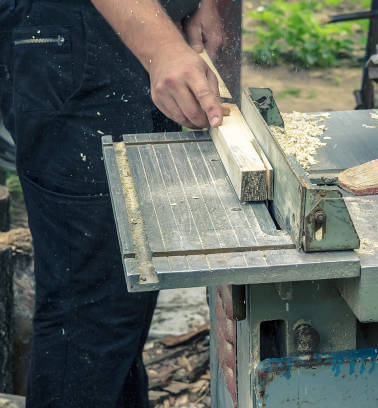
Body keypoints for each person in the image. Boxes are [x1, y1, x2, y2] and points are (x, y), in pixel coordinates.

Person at [0, 0, 234, 406]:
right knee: (88, 315)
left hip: (143, 26)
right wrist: (162, 46)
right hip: (72, 36)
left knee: (127, 292)